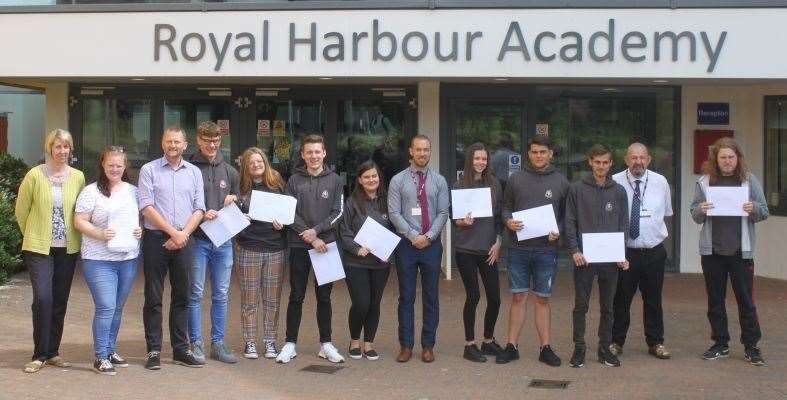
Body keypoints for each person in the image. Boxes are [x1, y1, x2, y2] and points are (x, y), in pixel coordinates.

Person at [690, 137, 768, 366]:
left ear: (738, 158)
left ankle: (751, 346)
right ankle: (720, 343)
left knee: (746, 301)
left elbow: (764, 211)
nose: (727, 161)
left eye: (731, 157)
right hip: (712, 252)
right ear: (716, 159)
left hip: (740, 252)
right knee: (715, 300)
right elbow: (694, 213)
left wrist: (753, 208)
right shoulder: (705, 182)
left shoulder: (748, 181)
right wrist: (701, 210)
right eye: (723, 157)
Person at [15, 129, 85, 374]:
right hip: (39, 248)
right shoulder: (34, 175)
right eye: (58, 147)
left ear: (70, 150)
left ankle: (53, 352)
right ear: (49, 149)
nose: (62, 151)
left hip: (67, 249)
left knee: (59, 301)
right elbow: (21, 211)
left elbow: (82, 211)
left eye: (66, 147)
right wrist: (34, 235)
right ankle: (39, 354)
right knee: (43, 299)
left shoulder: (78, 177)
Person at [496, 135, 569, 367]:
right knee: (518, 297)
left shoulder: (561, 182)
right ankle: (511, 346)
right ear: (529, 154)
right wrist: (508, 222)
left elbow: (568, 217)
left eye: (543, 152)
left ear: (551, 154)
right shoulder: (516, 179)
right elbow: (505, 208)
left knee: (542, 300)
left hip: (546, 250)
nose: (539, 156)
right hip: (518, 249)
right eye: (535, 152)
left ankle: (545, 348)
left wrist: (559, 230)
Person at [138, 126, 206, 370]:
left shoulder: (195, 172)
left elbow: (199, 208)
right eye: (169, 141)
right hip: (157, 239)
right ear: (162, 143)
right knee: (153, 297)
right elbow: (146, 207)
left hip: (185, 240)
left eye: (177, 142)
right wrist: (172, 233)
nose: (173, 145)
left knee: (183, 297)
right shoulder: (149, 170)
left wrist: (182, 234)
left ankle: (180, 349)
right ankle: (153, 350)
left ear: (185, 145)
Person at [277, 134, 345, 364]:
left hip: (326, 246)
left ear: (324, 153)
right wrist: (308, 235)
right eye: (309, 152)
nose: (314, 156)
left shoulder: (335, 180)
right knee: (296, 295)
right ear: (303, 155)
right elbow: (289, 212)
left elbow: (338, 212)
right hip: (299, 245)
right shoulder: (294, 180)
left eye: (318, 152)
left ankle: (326, 344)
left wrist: (316, 232)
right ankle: (290, 343)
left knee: (324, 297)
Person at [74, 146, 142, 375]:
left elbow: (136, 219)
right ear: (102, 165)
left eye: (119, 165)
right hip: (98, 259)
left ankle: (110, 349)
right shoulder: (91, 192)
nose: (115, 169)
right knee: (106, 306)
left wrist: (139, 231)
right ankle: (100, 356)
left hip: (127, 257)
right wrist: (99, 234)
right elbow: (79, 221)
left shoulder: (134, 191)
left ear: (125, 167)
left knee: (118, 308)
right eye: (110, 165)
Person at [565, 144, 629, 368]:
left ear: (611, 164)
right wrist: (574, 250)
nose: (601, 166)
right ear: (590, 162)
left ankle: (604, 348)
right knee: (580, 306)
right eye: (597, 162)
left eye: (605, 162)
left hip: (610, 261)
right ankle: (579, 348)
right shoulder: (577, 189)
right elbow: (570, 222)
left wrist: (622, 253)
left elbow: (624, 225)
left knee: (608, 307)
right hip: (584, 259)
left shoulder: (619, 191)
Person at [388, 134, 449, 363]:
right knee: (406, 296)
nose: (423, 153)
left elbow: (443, 213)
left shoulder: (439, 181)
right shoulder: (398, 180)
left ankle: (428, 345)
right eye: (419, 149)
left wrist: (429, 236)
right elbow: (394, 213)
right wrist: (414, 236)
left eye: (426, 149)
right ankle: (406, 345)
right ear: (411, 152)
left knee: (431, 297)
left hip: (432, 246)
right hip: (406, 245)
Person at [610, 143, 673, 360]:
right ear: (626, 160)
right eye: (634, 158)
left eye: (642, 158)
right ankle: (616, 342)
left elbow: (665, 212)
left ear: (649, 159)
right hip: (626, 253)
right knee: (621, 300)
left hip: (654, 251)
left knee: (653, 300)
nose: (638, 162)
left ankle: (656, 342)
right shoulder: (615, 181)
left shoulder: (660, 182)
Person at [187, 121, 240, 364]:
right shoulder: (188, 168)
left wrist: (235, 199)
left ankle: (217, 343)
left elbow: (241, 201)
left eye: (216, 141)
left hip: (224, 242)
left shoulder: (230, 171)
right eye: (207, 140)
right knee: (195, 293)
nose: (211, 145)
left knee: (221, 294)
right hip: (197, 240)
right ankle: (195, 342)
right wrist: (200, 214)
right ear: (198, 140)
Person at [451, 143, 503, 363]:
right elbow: (455, 220)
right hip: (466, 250)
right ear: (469, 160)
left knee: (495, 298)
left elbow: (500, 217)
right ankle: (469, 345)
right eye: (476, 159)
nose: (480, 162)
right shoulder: (460, 185)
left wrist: (499, 242)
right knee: (473, 296)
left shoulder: (495, 184)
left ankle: (488, 340)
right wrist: (463, 222)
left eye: (483, 159)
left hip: (488, 250)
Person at [235, 147, 287, 360]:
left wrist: (282, 223)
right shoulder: (240, 188)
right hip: (249, 248)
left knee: (272, 300)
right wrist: (239, 217)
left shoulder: (277, 186)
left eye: (259, 161)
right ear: (246, 166)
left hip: (275, 248)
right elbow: (229, 218)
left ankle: (270, 341)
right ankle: (249, 342)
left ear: (265, 163)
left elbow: (287, 214)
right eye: (252, 162)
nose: (256, 165)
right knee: (250, 299)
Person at [339, 161, 393, 361]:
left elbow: (395, 230)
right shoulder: (352, 202)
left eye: (375, 176)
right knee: (361, 303)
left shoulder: (388, 201)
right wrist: (356, 248)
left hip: (381, 263)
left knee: (374, 304)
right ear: (360, 180)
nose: (372, 180)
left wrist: (389, 251)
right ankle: (354, 340)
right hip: (356, 262)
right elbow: (344, 231)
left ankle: (369, 343)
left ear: (379, 178)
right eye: (367, 177)